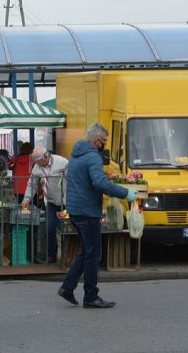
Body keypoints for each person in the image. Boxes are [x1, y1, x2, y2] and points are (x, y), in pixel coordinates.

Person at [58, 123, 137, 309]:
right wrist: (125, 193)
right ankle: (91, 296)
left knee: (87, 251)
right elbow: (99, 183)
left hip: (76, 210)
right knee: (94, 255)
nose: (104, 145)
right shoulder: (92, 156)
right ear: (96, 141)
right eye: (103, 141)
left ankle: (67, 288)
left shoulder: (76, 155)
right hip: (87, 212)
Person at [21, 148, 69, 264]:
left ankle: (69, 256)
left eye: (38, 161)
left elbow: (73, 179)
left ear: (45, 157)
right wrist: (27, 198)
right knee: (50, 229)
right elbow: (32, 184)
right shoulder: (37, 168)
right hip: (51, 203)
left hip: (67, 203)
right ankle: (52, 255)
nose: (36, 164)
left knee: (68, 230)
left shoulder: (62, 162)